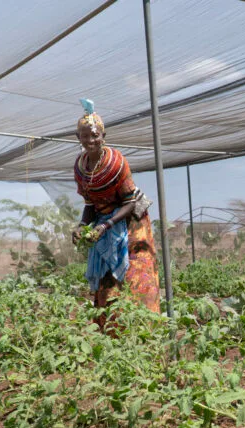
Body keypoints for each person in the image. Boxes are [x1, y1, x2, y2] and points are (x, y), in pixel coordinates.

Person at [71, 99, 160, 326]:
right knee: (106, 280)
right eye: (85, 136)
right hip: (106, 222)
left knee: (135, 274)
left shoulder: (116, 162)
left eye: (95, 135)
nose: (90, 140)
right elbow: (90, 204)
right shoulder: (80, 167)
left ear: (103, 136)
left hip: (132, 221)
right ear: (78, 137)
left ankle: (143, 329)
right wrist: (82, 226)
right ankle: (110, 329)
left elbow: (130, 201)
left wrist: (106, 225)